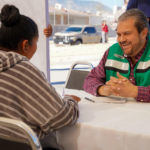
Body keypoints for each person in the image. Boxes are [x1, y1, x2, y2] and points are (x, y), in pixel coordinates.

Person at [0, 4, 80, 149]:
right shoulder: (22, 70)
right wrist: (70, 100)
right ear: (25, 45)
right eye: (36, 42)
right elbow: (61, 118)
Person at [83, 9, 150, 103]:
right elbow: (89, 80)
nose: (121, 40)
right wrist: (104, 89)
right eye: (119, 34)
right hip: (116, 115)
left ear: (143, 33)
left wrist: (134, 91)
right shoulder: (112, 51)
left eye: (127, 33)